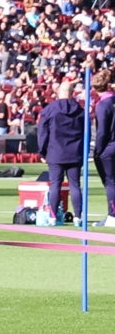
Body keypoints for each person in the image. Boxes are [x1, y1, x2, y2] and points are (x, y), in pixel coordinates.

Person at [38, 81, 85, 226]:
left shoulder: (50, 109)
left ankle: (53, 216)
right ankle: (78, 216)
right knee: (75, 185)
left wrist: (42, 151)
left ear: (59, 92)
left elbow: (42, 132)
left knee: (55, 185)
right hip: (75, 152)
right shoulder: (80, 110)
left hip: (55, 152)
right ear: (72, 93)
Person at [95, 81, 115, 229]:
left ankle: (112, 215)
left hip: (109, 147)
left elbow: (102, 131)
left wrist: (98, 149)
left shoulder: (103, 105)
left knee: (110, 182)